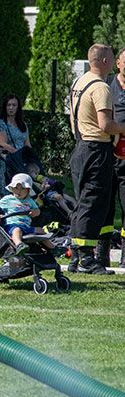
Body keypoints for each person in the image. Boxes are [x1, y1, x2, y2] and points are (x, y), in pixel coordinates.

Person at [67, 44, 125, 275]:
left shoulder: (79, 82)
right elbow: (106, 125)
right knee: (92, 203)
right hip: (97, 149)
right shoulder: (101, 88)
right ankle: (86, 259)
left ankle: (75, 255)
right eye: (111, 59)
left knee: (83, 202)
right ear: (103, 61)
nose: (113, 64)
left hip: (80, 147)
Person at [0, 173, 56, 256]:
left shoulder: (30, 201)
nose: (19, 191)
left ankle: (53, 248)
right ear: (11, 188)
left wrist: (36, 212)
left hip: (26, 226)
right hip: (12, 225)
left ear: (28, 190)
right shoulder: (8, 199)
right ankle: (19, 245)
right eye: (16, 188)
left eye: (22, 189)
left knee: (41, 230)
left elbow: (37, 210)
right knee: (17, 231)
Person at [0, 94, 31, 196]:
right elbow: (3, 143)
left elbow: (27, 143)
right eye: (8, 105)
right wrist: (17, 153)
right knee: (7, 188)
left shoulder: (23, 124)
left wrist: (29, 157)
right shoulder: (1, 123)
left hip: (22, 160)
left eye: (14, 105)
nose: (11, 108)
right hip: (9, 160)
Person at [109, 47, 125, 269]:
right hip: (107, 154)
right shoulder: (107, 87)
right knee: (105, 207)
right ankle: (100, 254)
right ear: (118, 64)